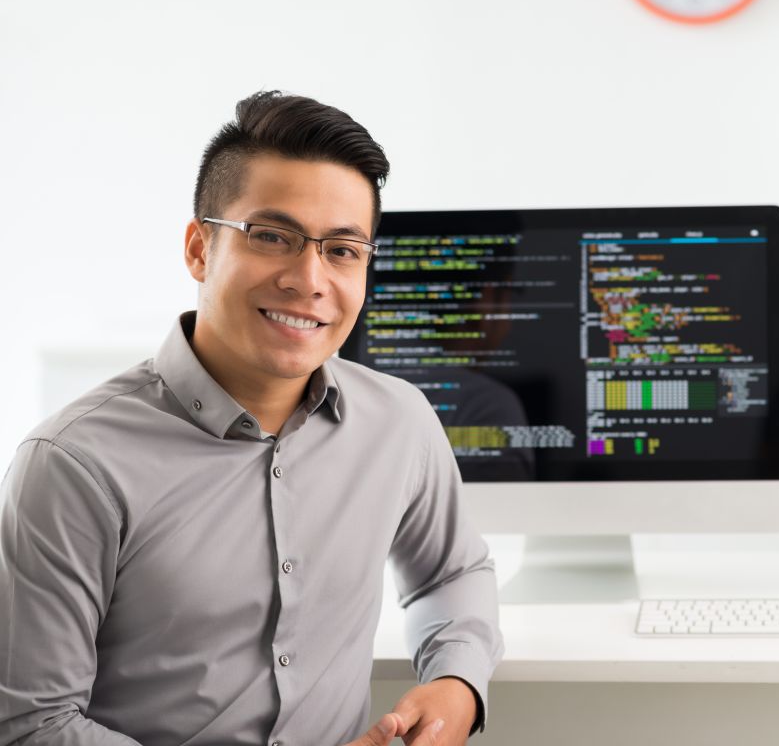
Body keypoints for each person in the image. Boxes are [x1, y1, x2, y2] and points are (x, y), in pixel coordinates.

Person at [0, 91, 504, 745]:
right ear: (199, 249)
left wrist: (456, 682)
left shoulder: (399, 421)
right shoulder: (72, 463)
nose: (309, 278)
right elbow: (31, 725)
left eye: (343, 250)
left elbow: (453, 572)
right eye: (272, 237)